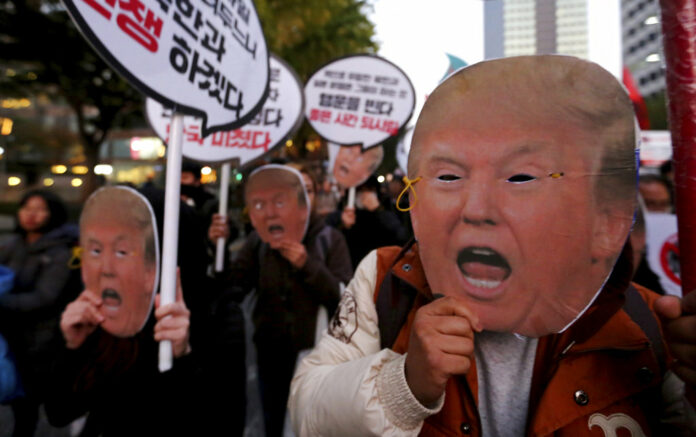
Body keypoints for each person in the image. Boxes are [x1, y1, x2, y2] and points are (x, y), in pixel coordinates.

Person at [289, 55, 696, 436]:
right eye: (448, 176)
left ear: (604, 221)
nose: (476, 209)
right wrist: (405, 383)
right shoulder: (387, 280)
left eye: (520, 178)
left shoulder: (648, 330)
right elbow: (307, 408)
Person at [44, 187, 196, 436]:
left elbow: (217, 422)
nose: (106, 269)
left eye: (122, 252)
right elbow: (59, 413)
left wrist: (183, 359)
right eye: (95, 250)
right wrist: (72, 349)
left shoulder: (214, 315)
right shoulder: (98, 319)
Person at [213, 164, 352, 437]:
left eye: (307, 190)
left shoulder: (330, 240)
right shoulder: (260, 241)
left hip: (316, 357)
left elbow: (343, 298)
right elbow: (231, 286)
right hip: (269, 353)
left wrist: (307, 264)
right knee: (272, 420)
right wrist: (217, 246)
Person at [0, 190, 77, 437]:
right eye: (26, 208)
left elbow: (45, 297)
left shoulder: (61, 250)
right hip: (10, 334)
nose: (31, 215)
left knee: (28, 406)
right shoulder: (13, 243)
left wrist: (2, 303)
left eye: (40, 209)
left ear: (53, 213)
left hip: (41, 341)